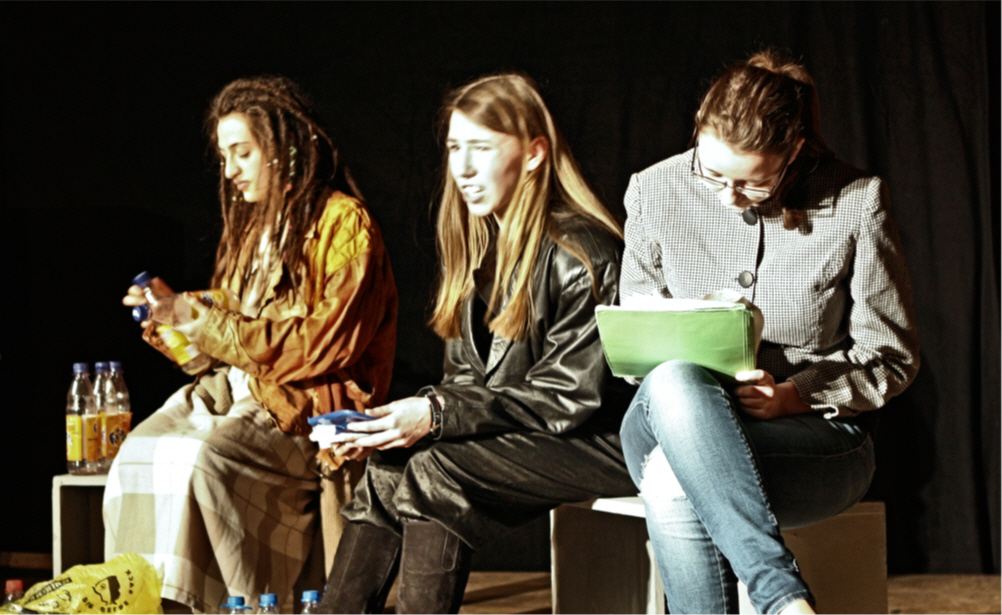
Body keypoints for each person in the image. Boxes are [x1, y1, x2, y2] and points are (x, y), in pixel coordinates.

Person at [312, 72, 636, 613]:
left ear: (534, 154)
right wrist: (391, 427)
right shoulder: (481, 249)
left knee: (436, 469)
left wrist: (435, 415)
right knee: (392, 462)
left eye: (481, 148)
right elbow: (466, 381)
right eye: (454, 148)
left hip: (604, 441)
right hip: (538, 431)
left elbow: (567, 399)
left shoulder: (584, 254)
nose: (462, 168)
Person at [618, 49, 920, 614]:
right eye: (712, 175)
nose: (729, 198)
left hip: (811, 440)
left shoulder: (856, 201)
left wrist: (793, 395)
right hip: (666, 417)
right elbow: (637, 345)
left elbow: (891, 357)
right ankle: (782, 595)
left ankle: (779, 598)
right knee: (675, 379)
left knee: (671, 478)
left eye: (753, 185)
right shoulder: (653, 191)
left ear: (794, 151)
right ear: (698, 131)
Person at [103, 76, 398, 613]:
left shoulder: (345, 225)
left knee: (202, 460)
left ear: (285, 151)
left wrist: (200, 318)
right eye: (224, 157)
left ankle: (241, 606)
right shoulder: (252, 231)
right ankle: (143, 603)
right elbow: (218, 347)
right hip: (234, 392)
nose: (230, 171)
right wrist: (169, 317)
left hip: (301, 407)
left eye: (242, 153)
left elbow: (321, 344)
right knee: (138, 454)